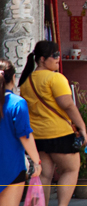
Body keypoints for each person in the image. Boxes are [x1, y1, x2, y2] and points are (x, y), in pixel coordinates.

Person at [19, 41, 87, 206]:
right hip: (60, 134)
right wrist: (82, 127)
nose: (58, 59)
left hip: (37, 136)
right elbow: (68, 104)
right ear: (42, 59)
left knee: (44, 175)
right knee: (70, 170)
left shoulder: (26, 81)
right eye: (54, 56)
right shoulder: (55, 78)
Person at [0, 59, 42, 206]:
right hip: (11, 167)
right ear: (13, 78)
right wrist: (36, 162)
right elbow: (25, 136)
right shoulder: (17, 103)